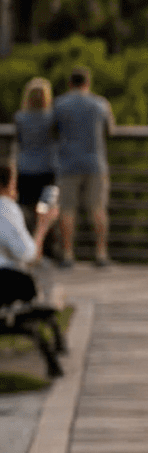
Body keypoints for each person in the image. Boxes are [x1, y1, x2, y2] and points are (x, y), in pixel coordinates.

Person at [51, 68, 113, 268]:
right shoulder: (100, 104)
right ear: (88, 83)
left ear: (70, 83)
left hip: (67, 163)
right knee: (98, 209)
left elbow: (51, 130)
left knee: (67, 209)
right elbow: (110, 130)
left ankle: (68, 254)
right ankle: (101, 254)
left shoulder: (59, 104)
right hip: (95, 163)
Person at [0, 161, 57, 304]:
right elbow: (28, 255)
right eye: (14, 183)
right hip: (6, 280)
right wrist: (43, 225)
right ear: (6, 186)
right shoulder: (6, 209)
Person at [13, 79, 56, 262]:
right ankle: (46, 249)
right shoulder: (51, 118)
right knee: (45, 209)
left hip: (25, 168)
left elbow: (20, 141)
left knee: (26, 209)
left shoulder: (20, 118)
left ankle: (26, 247)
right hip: (46, 169)